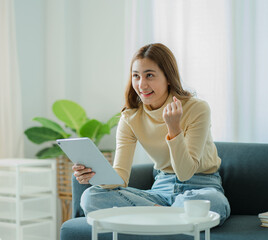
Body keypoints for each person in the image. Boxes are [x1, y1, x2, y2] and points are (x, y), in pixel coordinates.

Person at [72, 43, 231, 225]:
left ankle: (154, 217)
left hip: (202, 187)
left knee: (215, 203)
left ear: (168, 77)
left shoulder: (196, 108)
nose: (141, 84)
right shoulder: (130, 117)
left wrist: (174, 129)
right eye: (136, 76)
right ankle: (169, 217)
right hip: (160, 192)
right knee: (91, 197)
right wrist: (97, 176)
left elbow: (185, 172)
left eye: (149, 75)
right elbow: (121, 178)